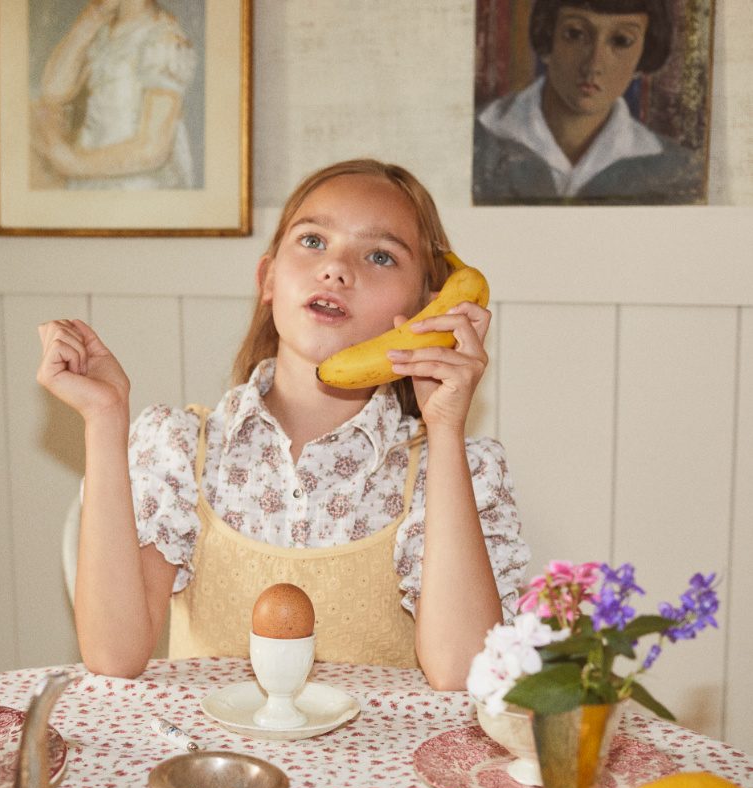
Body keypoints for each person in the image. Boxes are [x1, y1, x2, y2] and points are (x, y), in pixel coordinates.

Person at [36, 159, 530, 690]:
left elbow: (462, 675)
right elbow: (114, 654)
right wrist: (105, 420)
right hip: (214, 768)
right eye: (314, 241)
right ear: (267, 278)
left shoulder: (457, 469)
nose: (337, 269)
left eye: (380, 255)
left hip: (376, 774)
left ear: (424, 311)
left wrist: (447, 431)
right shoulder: (180, 447)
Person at [473, 0, 703, 204]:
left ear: (645, 53)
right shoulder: (475, 139)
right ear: (548, 37)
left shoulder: (678, 170)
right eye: (575, 34)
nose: (594, 64)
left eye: (621, 41)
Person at [31, 0, 197, 190]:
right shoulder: (102, 31)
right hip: (91, 178)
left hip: (140, 185)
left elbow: (153, 149)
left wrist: (73, 162)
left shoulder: (163, 39)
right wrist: (90, 19)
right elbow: (53, 90)